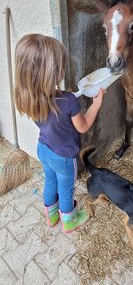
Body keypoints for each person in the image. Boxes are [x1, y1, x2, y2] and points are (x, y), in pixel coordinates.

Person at [14, 33, 105, 233]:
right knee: (66, 189)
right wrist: (96, 104)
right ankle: (69, 220)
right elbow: (83, 126)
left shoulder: (29, 96)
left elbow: (56, 106)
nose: (64, 69)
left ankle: (52, 216)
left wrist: (66, 95)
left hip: (43, 149)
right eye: (61, 66)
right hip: (64, 157)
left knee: (50, 181)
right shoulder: (69, 102)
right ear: (51, 73)